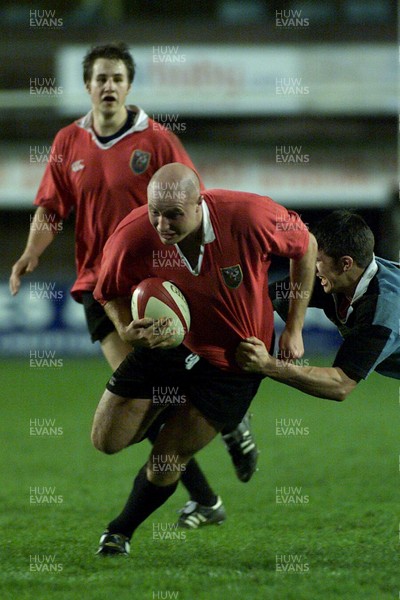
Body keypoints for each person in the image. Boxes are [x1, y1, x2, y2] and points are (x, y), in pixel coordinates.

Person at [9, 42, 258, 529]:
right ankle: (219, 455)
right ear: (87, 85)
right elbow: (51, 208)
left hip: (154, 282)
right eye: (100, 77)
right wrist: (32, 252)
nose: (109, 85)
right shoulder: (67, 142)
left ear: (129, 85)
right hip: (98, 286)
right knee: (141, 395)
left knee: (149, 393)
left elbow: (194, 200)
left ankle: (216, 453)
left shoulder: (158, 140)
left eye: (117, 78)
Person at [92, 162, 317, 555]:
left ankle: (120, 532)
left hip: (236, 360)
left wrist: (294, 327)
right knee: (106, 441)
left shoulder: (248, 216)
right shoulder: (133, 233)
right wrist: (128, 328)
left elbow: (307, 245)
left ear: (200, 204)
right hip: (167, 346)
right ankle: (224, 422)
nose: (161, 224)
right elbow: (107, 290)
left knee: (168, 457)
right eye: (155, 212)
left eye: (174, 214)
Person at [237, 210, 400, 396]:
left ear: (346, 263)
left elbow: (340, 384)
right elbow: (264, 296)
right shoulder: (337, 277)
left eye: (318, 261)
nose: (312, 268)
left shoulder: (383, 310)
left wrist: (267, 364)